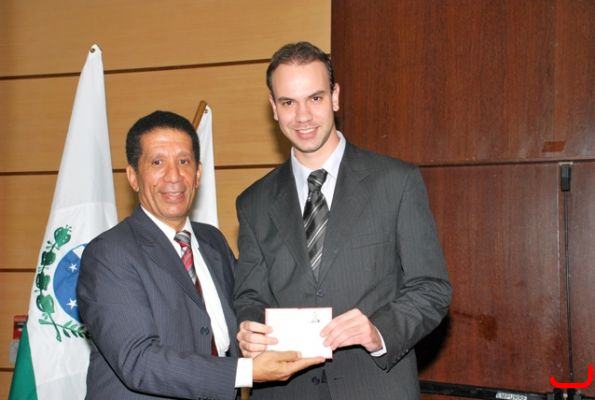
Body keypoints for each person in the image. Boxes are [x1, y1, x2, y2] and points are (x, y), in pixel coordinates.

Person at [233, 42, 452, 399]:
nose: (303, 116)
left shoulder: (396, 182)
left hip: (375, 387)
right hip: (286, 390)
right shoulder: (253, 202)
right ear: (274, 108)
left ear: (335, 97)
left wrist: (378, 331)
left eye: (315, 98)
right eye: (288, 103)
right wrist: (250, 328)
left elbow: (431, 288)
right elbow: (250, 294)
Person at [77, 110, 323, 400]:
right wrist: (246, 372)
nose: (174, 176)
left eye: (184, 162)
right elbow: (139, 361)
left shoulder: (212, 242)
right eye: (157, 162)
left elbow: (245, 311)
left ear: (198, 174)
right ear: (133, 176)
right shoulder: (109, 254)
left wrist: (319, 331)